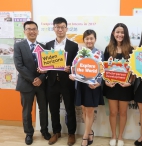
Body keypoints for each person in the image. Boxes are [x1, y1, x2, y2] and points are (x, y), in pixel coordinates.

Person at [13, 21, 51, 145]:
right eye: (29, 29)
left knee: (43, 109)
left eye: (34, 29)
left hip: (42, 84)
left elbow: (47, 66)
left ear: (38, 31)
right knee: (27, 110)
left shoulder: (43, 47)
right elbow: (19, 66)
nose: (32, 31)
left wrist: (40, 78)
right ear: (25, 31)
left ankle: (44, 131)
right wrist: (33, 79)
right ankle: (29, 133)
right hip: (26, 84)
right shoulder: (19, 46)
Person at [45, 17, 78, 145]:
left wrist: (71, 68)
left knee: (70, 108)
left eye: (62, 27)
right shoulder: (47, 45)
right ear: (54, 28)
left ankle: (71, 133)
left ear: (66, 28)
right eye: (57, 27)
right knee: (53, 109)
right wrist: (42, 69)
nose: (60, 29)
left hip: (67, 82)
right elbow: (46, 64)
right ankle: (56, 132)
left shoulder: (73, 46)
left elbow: (76, 65)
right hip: (52, 82)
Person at [69, 29, 104, 146]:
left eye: (91, 38)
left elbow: (102, 70)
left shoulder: (99, 53)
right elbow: (75, 68)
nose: (89, 41)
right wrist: (73, 76)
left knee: (90, 110)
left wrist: (98, 82)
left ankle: (85, 135)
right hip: (81, 84)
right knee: (84, 109)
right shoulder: (80, 53)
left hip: (93, 85)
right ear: (84, 40)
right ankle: (90, 132)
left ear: (95, 39)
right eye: (87, 38)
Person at [103, 23, 134, 146]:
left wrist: (130, 82)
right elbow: (104, 69)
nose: (120, 34)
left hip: (125, 87)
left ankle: (120, 137)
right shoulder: (108, 49)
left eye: (122, 32)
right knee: (113, 112)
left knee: (123, 113)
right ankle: (113, 136)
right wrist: (106, 80)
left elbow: (134, 70)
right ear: (113, 33)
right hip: (112, 86)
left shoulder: (131, 50)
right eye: (118, 32)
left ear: (125, 34)